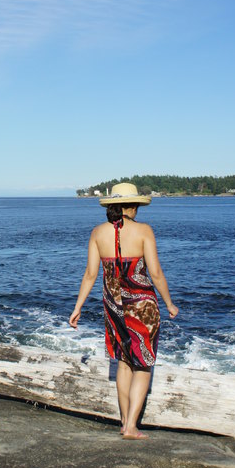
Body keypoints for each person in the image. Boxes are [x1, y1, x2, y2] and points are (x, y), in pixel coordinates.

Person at [69, 183, 178, 440]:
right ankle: (131, 426)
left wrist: (77, 308)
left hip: (113, 306)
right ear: (133, 206)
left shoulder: (97, 233)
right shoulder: (144, 231)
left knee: (123, 363)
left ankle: (124, 422)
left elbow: (90, 274)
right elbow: (156, 273)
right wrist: (169, 303)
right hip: (143, 306)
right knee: (143, 365)